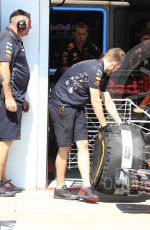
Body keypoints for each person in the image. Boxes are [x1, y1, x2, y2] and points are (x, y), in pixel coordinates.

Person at [49, 48, 125, 202]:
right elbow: (95, 100)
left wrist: (120, 123)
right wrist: (104, 125)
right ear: (115, 65)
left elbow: (107, 100)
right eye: (118, 67)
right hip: (62, 105)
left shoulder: (104, 72)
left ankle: (86, 187)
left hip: (77, 106)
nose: (116, 70)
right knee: (65, 146)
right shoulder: (95, 69)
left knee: (83, 144)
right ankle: (60, 188)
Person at [0, 9, 32, 197]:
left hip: (14, 98)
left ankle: (3, 181)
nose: (29, 29)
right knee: (5, 141)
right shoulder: (7, 37)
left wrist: (21, 98)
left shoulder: (14, 40)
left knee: (6, 141)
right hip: (7, 100)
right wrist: (10, 97)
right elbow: (4, 68)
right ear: (20, 23)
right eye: (28, 25)